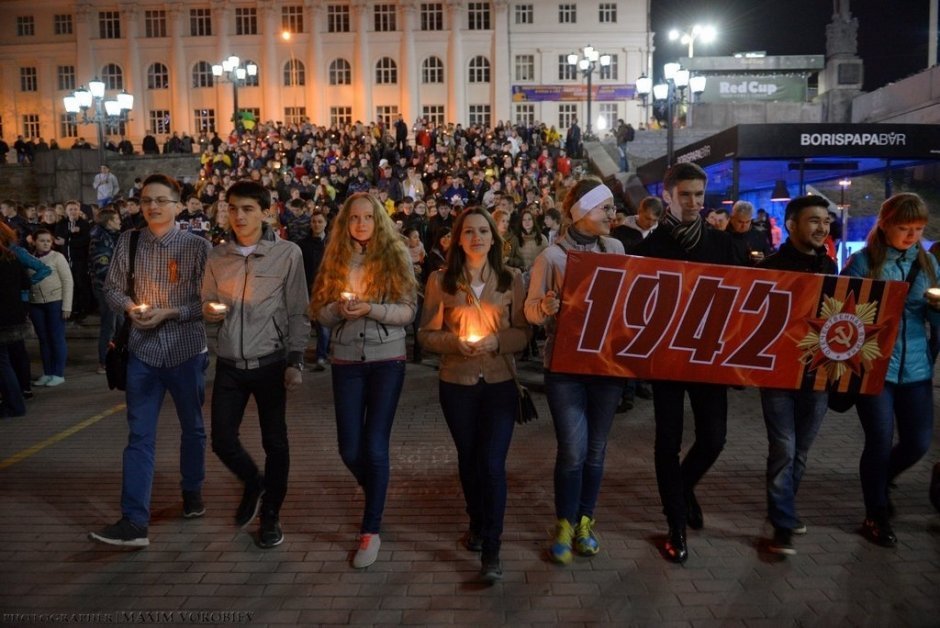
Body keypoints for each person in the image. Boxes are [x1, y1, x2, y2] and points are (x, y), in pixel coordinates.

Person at [90, 173, 212, 548]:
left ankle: (192, 491)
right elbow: (111, 288)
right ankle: (134, 521)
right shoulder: (128, 243)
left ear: (178, 206)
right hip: (142, 352)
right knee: (139, 435)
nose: (153, 207)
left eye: (161, 200)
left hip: (186, 351)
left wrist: (170, 313)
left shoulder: (197, 247)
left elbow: (207, 303)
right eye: (146, 200)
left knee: (192, 428)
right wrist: (129, 308)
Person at [635, 162, 748, 564]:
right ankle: (675, 524)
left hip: (707, 356)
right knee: (667, 441)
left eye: (700, 195)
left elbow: (741, 297)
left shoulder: (720, 244)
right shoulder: (649, 247)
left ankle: (683, 489)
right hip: (665, 357)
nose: (694, 203)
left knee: (714, 438)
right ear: (667, 195)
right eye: (686, 195)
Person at [418, 206, 529, 582]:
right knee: (469, 458)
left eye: (483, 231)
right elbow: (426, 334)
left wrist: (499, 340)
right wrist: (453, 343)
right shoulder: (440, 280)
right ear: (457, 239)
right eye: (469, 231)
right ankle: (477, 524)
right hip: (458, 382)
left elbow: (523, 334)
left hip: (499, 382)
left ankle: (492, 548)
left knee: (493, 463)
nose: (477, 237)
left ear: (494, 238)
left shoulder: (510, 278)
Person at [310, 193, 417, 568]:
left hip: (387, 358)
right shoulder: (335, 257)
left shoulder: (396, 254)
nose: (360, 224)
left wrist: (371, 308)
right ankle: (378, 492)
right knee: (349, 448)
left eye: (368, 218)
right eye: (354, 218)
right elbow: (319, 313)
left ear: (379, 220)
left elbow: (407, 311)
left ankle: (370, 528)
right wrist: (337, 310)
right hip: (345, 360)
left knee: (374, 446)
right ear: (345, 222)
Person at [202, 180, 309, 549]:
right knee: (221, 439)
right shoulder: (217, 256)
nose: (239, 215)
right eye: (232, 208)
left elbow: (298, 311)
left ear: (267, 212)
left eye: (247, 208)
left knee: (275, 442)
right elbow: (206, 303)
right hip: (230, 363)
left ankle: (271, 516)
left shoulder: (288, 254)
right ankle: (253, 481)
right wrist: (211, 314)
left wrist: (296, 359)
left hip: (270, 362)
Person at [525, 177, 625, 565]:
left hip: (606, 365)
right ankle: (564, 522)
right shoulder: (551, 258)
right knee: (573, 450)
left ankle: (586, 521)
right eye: (605, 208)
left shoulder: (615, 247)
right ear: (580, 211)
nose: (611, 215)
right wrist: (545, 309)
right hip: (565, 368)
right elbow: (530, 311)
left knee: (596, 450)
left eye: (613, 208)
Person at [841, 192, 940, 548]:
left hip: (915, 368)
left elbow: (934, 316)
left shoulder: (929, 264)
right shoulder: (863, 262)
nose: (912, 236)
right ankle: (875, 512)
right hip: (874, 367)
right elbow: (841, 311)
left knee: (917, 442)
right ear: (884, 224)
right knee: (879, 441)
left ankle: (884, 480)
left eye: (918, 229)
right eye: (904, 228)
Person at [755, 196, 836, 555]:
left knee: (801, 449)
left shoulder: (831, 267)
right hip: (778, 374)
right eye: (813, 221)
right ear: (791, 225)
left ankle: (784, 507)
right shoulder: (771, 266)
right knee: (784, 448)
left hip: (817, 374)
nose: (821, 228)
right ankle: (782, 523)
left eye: (826, 221)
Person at [28, 229, 73, 387]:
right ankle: (47, 373)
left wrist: (67, 305)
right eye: (42, 240)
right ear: (34, 241)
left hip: (55, 301)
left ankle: (58, 373)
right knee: (44, 340)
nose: (46, 243)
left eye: (48, 240)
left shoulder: (57, 257)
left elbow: (68, 281)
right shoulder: (29, 259)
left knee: (56, 338)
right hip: (36, 304)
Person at [0, 224, 31, 417]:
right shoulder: (12, 258)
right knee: (7, 359)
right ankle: (15, 399)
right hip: (13, 316)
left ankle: (14, 405)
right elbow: (26, 283)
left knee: (3, 363)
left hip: (2, 318)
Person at [89, 210, 123, 374]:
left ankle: (120, 357)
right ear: (109, 221)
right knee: (109, 325)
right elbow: (103, 266)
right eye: (116, 219)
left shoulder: (113, 236)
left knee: (121, 323)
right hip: (106, 288)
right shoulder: (101, 239)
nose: (120, 221)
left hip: (117, 288)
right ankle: (104, 361)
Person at [298, 211, 331, 370]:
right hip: (309, 287)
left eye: (320, 221)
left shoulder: (332, 243)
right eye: (314, 221)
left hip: (327, 288)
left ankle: (322, 355)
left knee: (324, 323)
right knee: (309, 323)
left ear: (325, 223)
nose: (316, 224)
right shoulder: (304, 244)